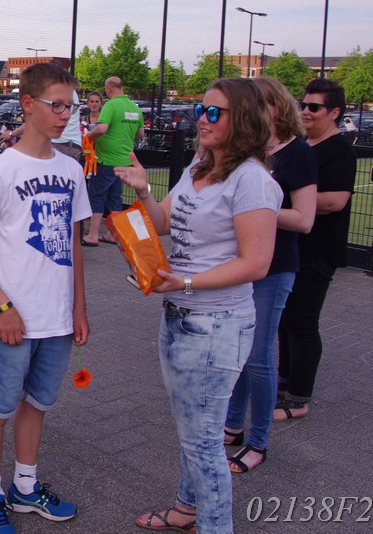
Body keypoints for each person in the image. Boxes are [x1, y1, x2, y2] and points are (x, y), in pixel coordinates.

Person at [114, 77, 281, 534]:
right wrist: (144, 192)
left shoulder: (252, 180)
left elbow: (256, 263)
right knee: (194, 434)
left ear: (242, 119)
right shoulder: (198, 165)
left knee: (204, 444)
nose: (201, 120)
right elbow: (163, 222)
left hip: (215, 324)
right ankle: (186, 511)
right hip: (179, 317)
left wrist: (186, 282)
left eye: (213, 113)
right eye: (199, 111)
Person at [0, 62, 90, 533]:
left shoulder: (71, 169)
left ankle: (26, 486)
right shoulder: (0, 171)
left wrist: (79, 307)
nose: (64, 115)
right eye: (56, 105)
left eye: (70, 107)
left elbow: (74, 243)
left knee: (37, 404)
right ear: (28, 104)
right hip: (11, 319)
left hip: (56, 317)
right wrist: (2, 306)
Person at [224, 77, 317, 473]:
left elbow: (305, 219)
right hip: (243, 262)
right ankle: (233, 425)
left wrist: (258, 206)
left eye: (260, 102)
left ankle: (258, 442)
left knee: (258, 356)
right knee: (239, 350)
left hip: (275, 268)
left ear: (278, 106)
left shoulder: (297, 153)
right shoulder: (251, 149)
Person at [275, 78, 356, 422]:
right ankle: (284, 380)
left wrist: (292, 200)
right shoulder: (304, 145)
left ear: (334, 112)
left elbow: (336, 200)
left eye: (314, 107)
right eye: (303, 105)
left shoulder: (339, 150)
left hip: (319, 249)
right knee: (285, 317)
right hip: (293, 246)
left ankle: (299, 398)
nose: (305, 112)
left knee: (303, 320)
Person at [83, 76, 144, 246]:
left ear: (109, 88)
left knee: (97, 195)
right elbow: (140, 133)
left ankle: (93, 235)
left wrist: (89, 136)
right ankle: (113, 234)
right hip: (125, 160)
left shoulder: (111, 105)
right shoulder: (134, 108)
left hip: (106, 159)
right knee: (115, 197)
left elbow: (102, 128)